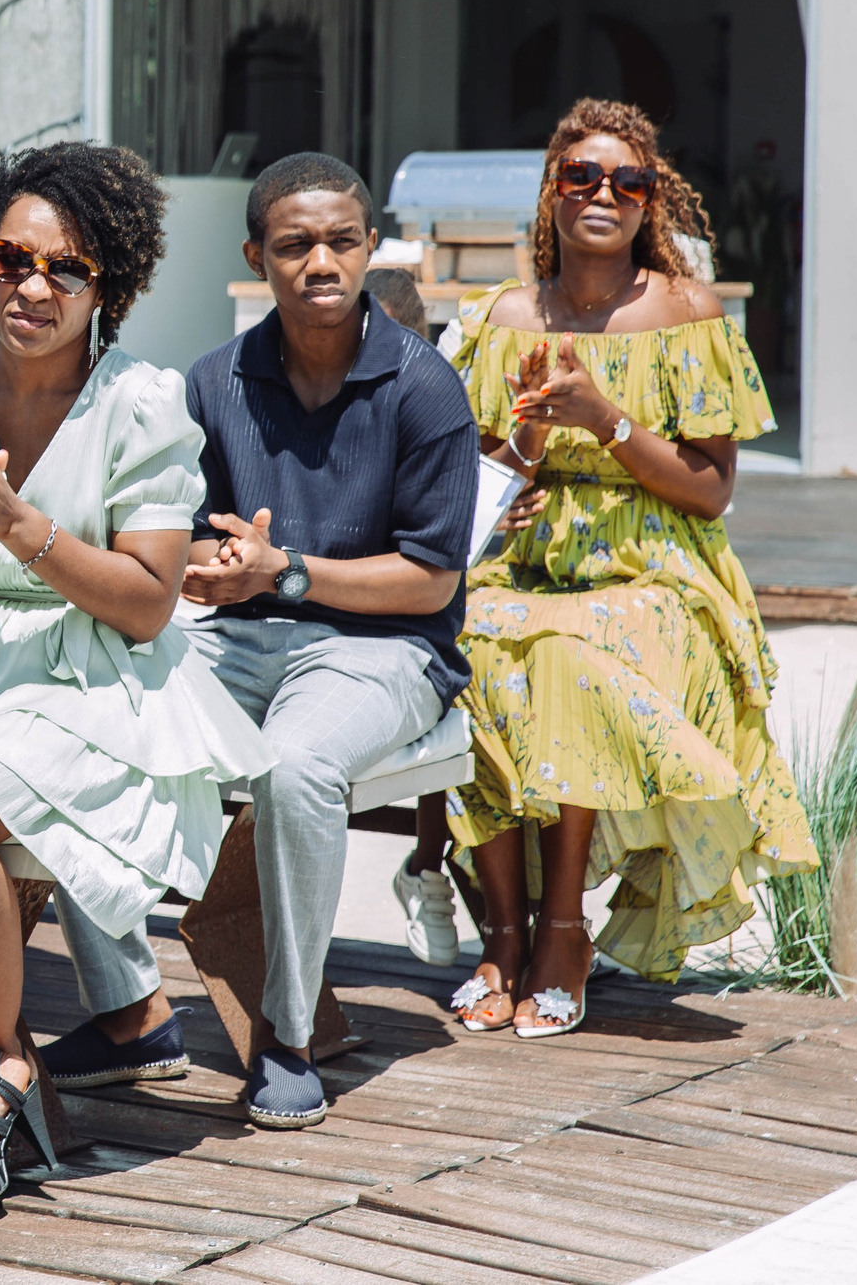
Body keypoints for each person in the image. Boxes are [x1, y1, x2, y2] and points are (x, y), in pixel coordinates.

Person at [0, 144, 273, 1212]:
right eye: (8, 258)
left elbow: (145, 602)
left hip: (97, 670)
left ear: (106, 285)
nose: (30, 287)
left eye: (63, 269)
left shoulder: (143, 405)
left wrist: (18, 527)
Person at [66, 151, 480, 1130]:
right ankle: (131, 1014)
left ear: (369, 247)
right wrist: (203, 574)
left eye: (341, 241)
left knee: (295, 765)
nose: (321, 262)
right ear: (258, 256)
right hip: (238, 635)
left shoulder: (425, 390)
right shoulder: (213, 382)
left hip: (388, 650)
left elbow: (430, 578)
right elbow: (185, 537)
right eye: (294, 245)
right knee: (76, 712)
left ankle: (285, 1041)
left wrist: (281, 571)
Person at [445, 99, 814, 1036]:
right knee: (464, 649)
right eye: (581, 177)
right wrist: (527, 437)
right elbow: (478, 480)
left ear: (652, 200)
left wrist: (605, 418)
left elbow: (710, 487)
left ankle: (563, 928)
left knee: (574, 652)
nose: (603, 193)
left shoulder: (687, 311)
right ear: (551, 194)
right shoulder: (503, 317)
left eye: (627, 180)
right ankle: (502, 929)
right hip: (524, 555)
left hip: (655, 567)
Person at [364, 266, 465, 968]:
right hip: (368, 601)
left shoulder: (439, 393)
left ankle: (434, 868)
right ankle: (433, 867)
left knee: (484, 674)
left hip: (448, 586)